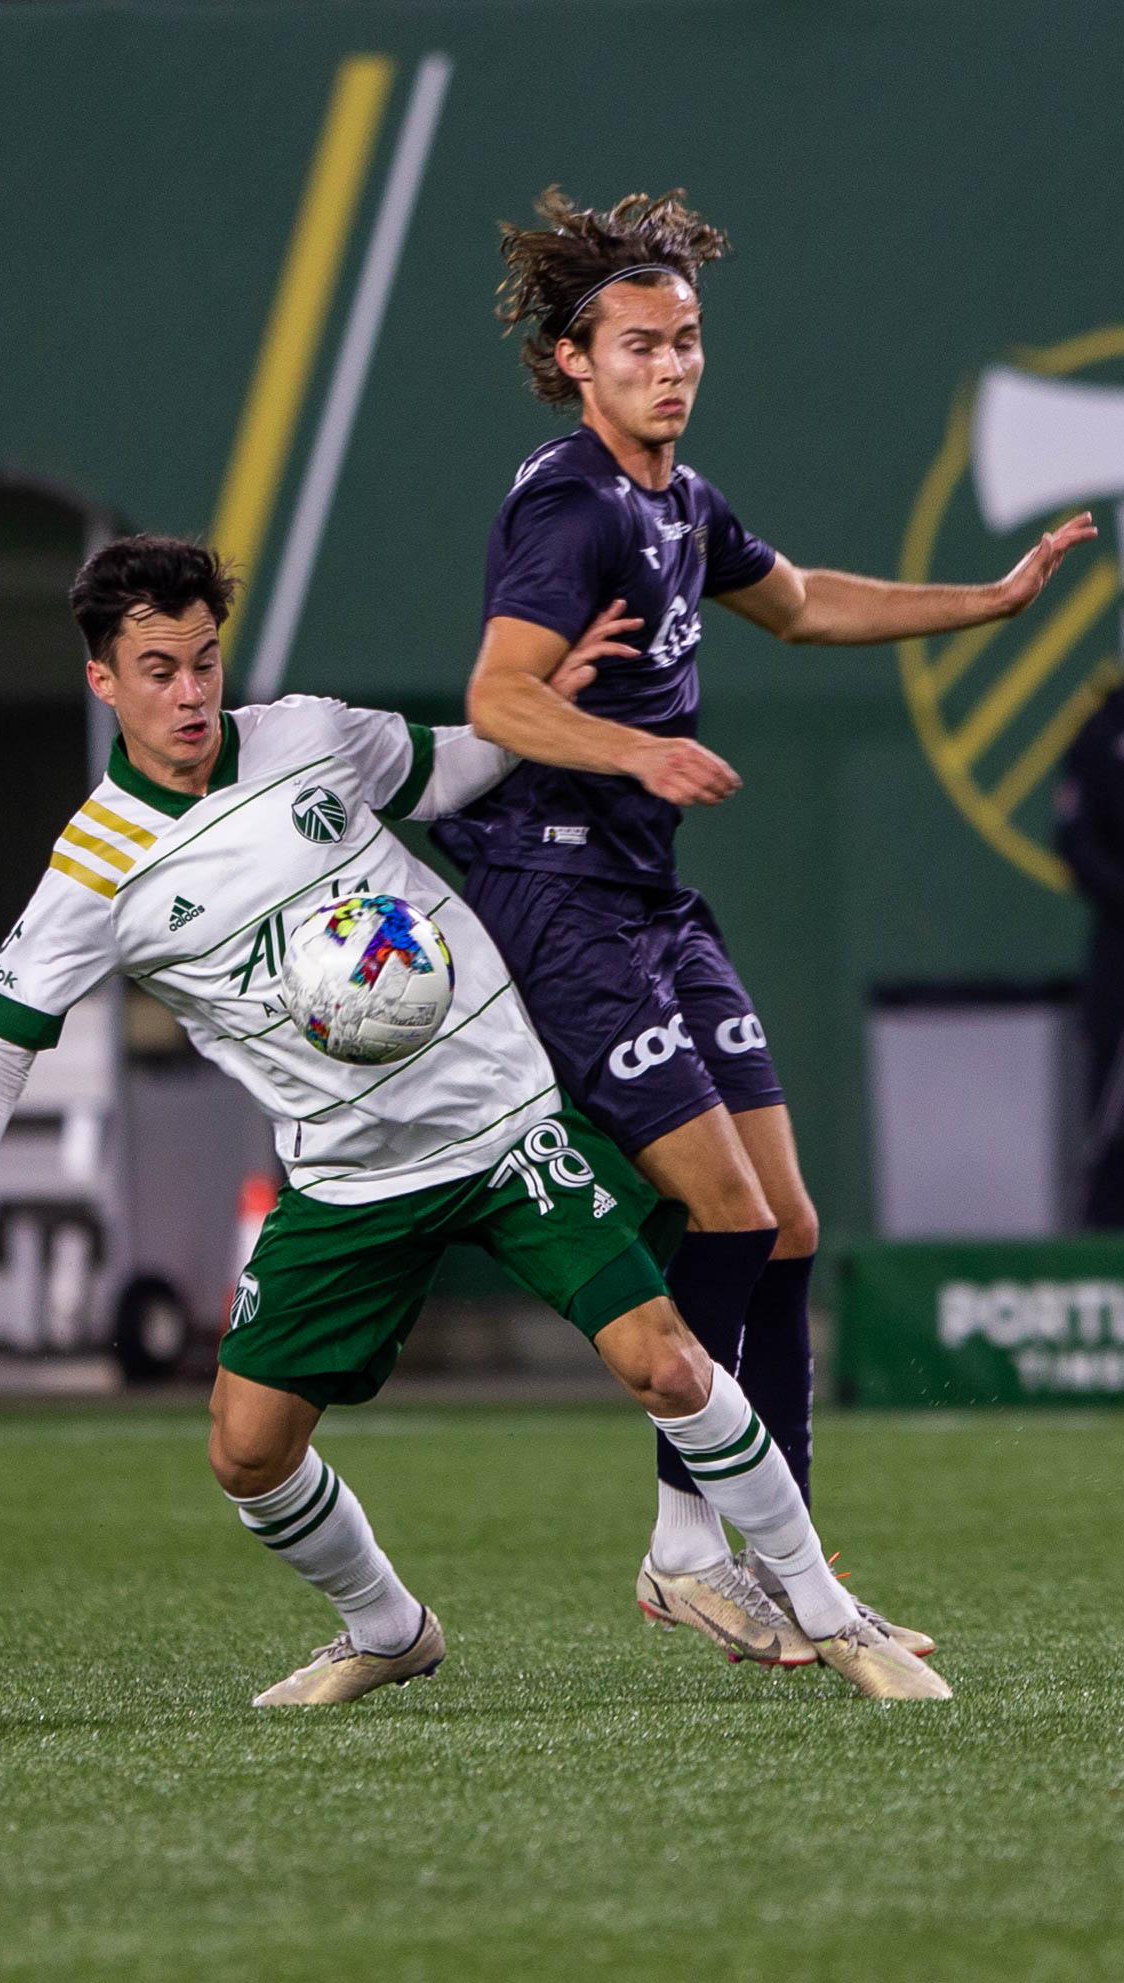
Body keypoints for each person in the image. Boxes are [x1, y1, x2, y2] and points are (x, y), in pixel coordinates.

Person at [0, 534, 950, 1705]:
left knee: (667, 1363)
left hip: (498, 1123)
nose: (189, 693)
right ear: (103, 680)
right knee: (245, 1453)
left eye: (203, 661)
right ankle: (388, 1627)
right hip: (346, 1181)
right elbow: (0, 1045)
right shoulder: (93, 871)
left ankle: (836, 1617)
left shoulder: (306, 735)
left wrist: (541, 699)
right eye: (157, 670)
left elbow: (453, 769)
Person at [432, 187, 1097, 1658]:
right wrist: (634, 749)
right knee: (724, 1209)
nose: (673, 365)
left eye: (687, 340)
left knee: (786, 1218)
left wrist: (986, 603)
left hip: (650, 892)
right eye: (640, 345)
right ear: (571, 361)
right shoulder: (571, 500)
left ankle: (761, 1548)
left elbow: (800, 606)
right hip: (559, 897)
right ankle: (707, 1554)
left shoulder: (677, 500)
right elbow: (496, 694)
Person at [1055, 683, 1124, 1224]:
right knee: (1109, 1113)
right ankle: (1100, 1253)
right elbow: (1076, 842)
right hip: (1119, 947)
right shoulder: (1104, 729)